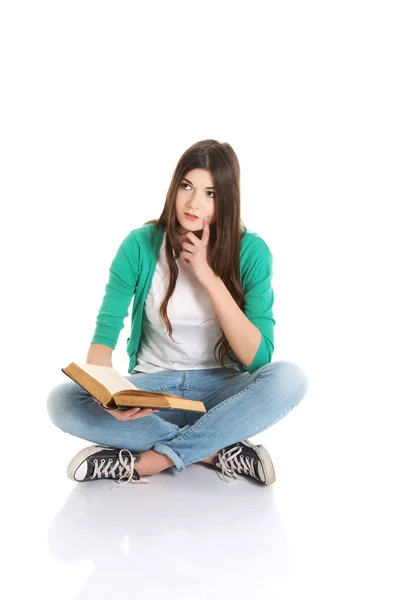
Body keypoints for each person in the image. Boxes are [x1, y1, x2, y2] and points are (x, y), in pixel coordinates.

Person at [47, 139, 309, 486]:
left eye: (210, 193)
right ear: (174, 186)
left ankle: (149, 461)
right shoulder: (139, 245)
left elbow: (259, 359)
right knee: (63, 400)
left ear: (227, 199)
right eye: (187, 186)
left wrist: (207, 275)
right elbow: (105, 333)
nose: (194, 202)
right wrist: (106, 396)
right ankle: (215, 449)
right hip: (152, 392)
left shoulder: (252, 251)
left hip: (221, 390)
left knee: (290, 378)